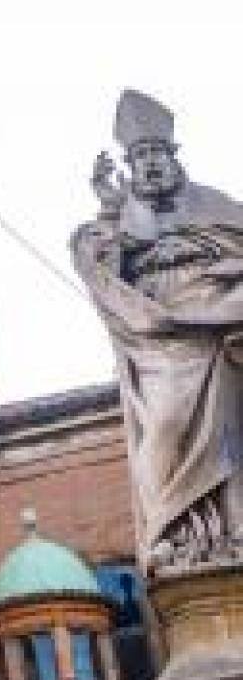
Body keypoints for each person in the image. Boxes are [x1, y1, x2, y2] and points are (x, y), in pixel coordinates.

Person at [74, 90, 243, 570]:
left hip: (219, 331)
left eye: (158, 155)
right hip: (157, 339)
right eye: (140, 157)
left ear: (174, 159)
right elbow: (97, 266)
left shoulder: (220, 206)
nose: (151, 165)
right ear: (130, 166)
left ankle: (228, 533)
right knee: (165, 423)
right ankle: (171, 526)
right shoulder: (118, 217)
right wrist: (110, 216)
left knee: (230, 437)